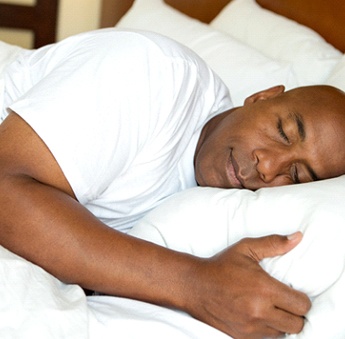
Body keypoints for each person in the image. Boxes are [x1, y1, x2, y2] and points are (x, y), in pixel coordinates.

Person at [1, 28, 345, 338]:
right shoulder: (152, 73)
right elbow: (5, 185)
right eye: (282, 132)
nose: (268, 166)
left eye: (297, 175)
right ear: (262, 97)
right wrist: (196, 284)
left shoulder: (210, 213)